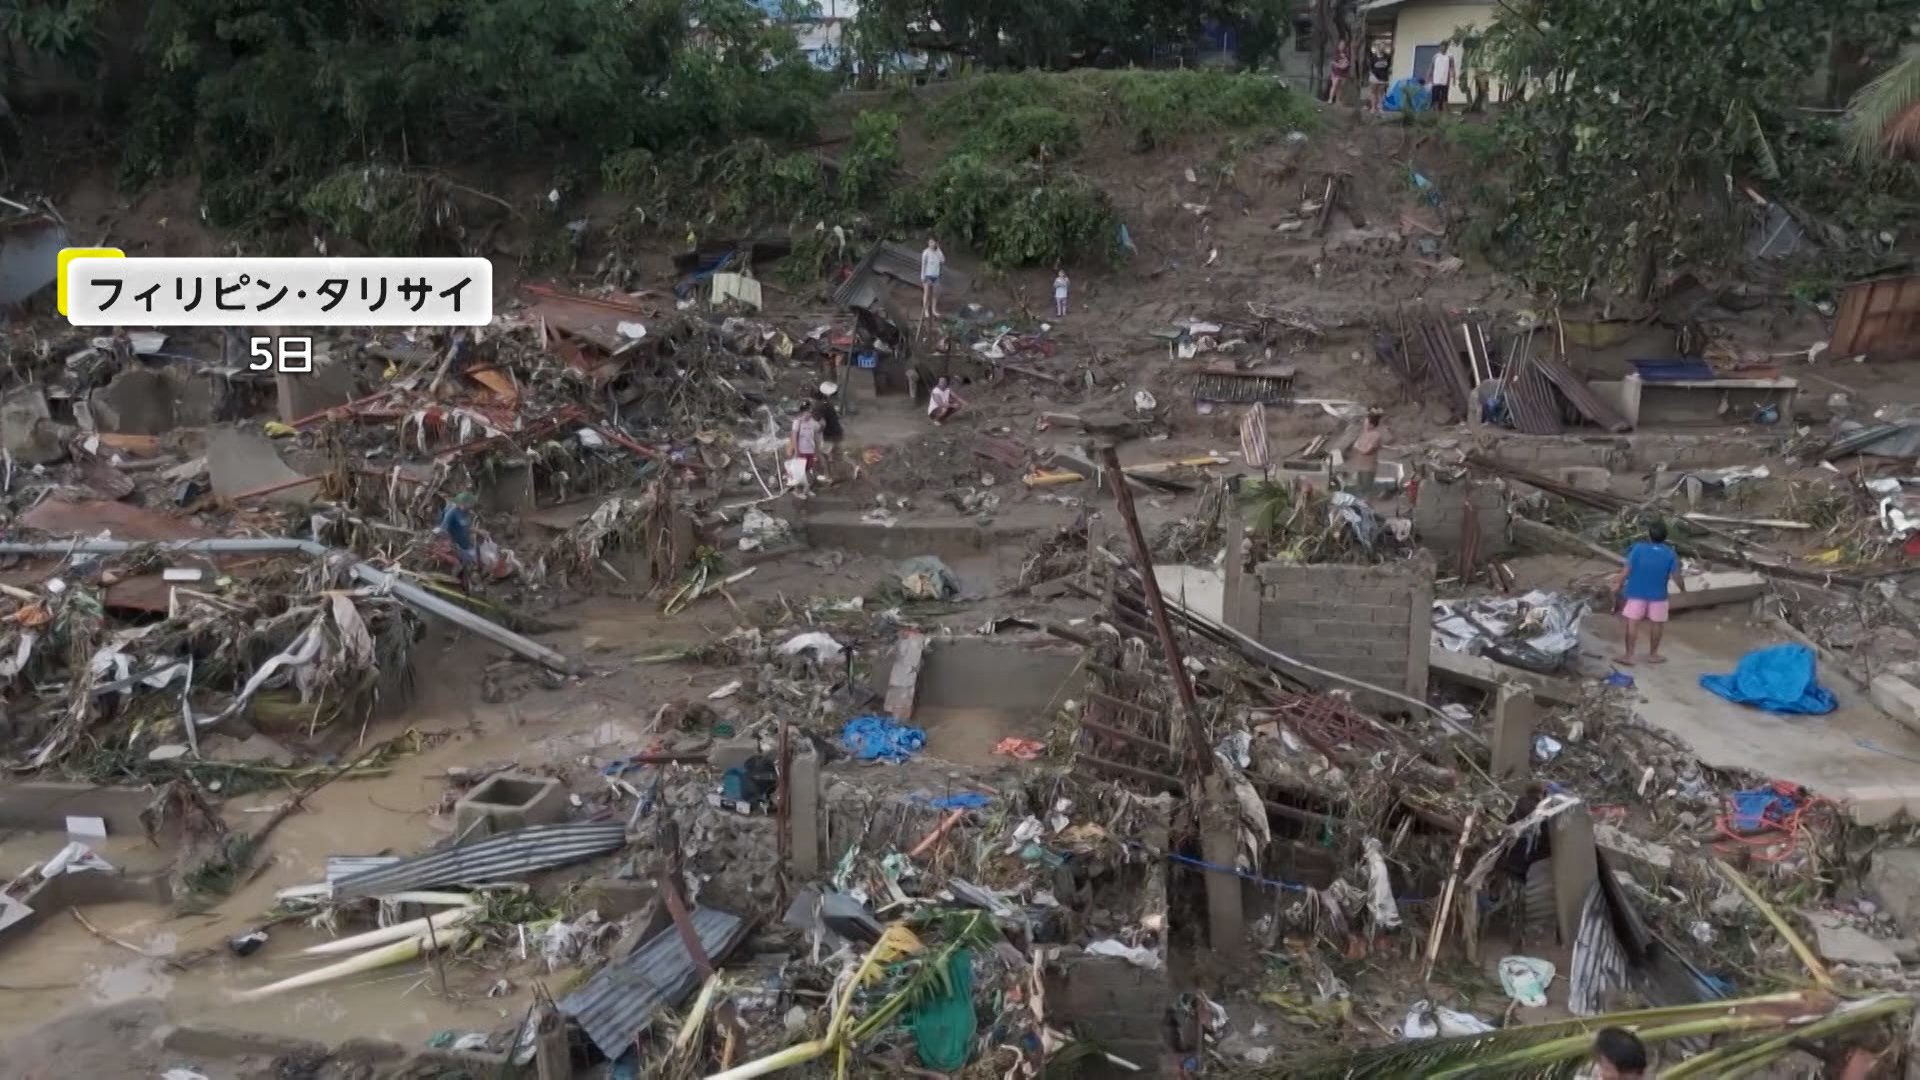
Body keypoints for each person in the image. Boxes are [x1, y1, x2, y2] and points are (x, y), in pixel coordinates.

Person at [1614, 521, 1687, 666]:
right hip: (1659, 595)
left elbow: (1626, 571)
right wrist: (1683, 590)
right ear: (1665, 537)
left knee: (1632, 623)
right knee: (1657, 624)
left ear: (1648, 535)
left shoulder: (1638, 549)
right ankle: (1653, 655)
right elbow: (1677, 576)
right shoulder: (1670, 554)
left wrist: (1618, 583)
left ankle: (1628, 656)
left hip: (1636, 593)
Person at [438, 491, 479, 592]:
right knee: (459, 565)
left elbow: (467, 527)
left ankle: (465, 585)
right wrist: (450, 543)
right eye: (468, 505)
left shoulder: (466, 513)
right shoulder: (451, 513)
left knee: (469, 563)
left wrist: (480, 532)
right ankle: (451, 584)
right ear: (461, 503)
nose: (470, 507)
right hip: (455, 544)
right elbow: (443, 529)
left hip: (465, 543)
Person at [812, 383, 844, 476]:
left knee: (822, 454)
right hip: (837, 431)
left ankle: (828, 476)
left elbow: (821, 423)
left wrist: (817, 431)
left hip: (829, 434)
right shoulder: (829, 404)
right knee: (835, 453)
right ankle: (854, 466)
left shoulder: (820, 406)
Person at [1350, 408, 1385, 490]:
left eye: (1366, 422)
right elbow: (1355, 446)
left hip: (1368, 468)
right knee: (1359, 489)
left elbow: (1366, 450)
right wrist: (1359, 447)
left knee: (1366, 490)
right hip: (1360, 466)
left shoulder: (1376, 435)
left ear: (1372, 425)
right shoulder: (1363, 434)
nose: (1364, 424)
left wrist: (1359, 447)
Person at [790, 401, 822, 482]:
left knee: (808, 469)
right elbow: (794, 436)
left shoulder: (813, 422)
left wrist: (816, 451)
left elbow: (816, 435)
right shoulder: (797, 422)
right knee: (800, 470)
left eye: (809, 411)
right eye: (806, 411)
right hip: (801, 450)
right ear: (802, 412)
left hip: (810, 450)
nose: (809, 413)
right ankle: (798, 489)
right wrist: (796, 451)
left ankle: (806, 489)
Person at [920, 237, 944, 319]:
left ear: (936, 243)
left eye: (933, 242)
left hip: (936, 276)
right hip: (927, 276)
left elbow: (943, 261)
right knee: (926, 294)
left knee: (935, 294)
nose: (931, 244)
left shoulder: (938, 252)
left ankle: (933, 310)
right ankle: (926, 311)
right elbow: (923, 265)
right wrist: (922, 276)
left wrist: (939, 250)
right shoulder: (925, 252)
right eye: (930, 242)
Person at [1367, 42, 1392, 112]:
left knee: (1381, 93)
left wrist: (1388, 75)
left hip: (1383, 77)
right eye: (1380, 47)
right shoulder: (1373, 57)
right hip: (1374, 76)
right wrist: (1372, 75)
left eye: (1383, 47)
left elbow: (1389, 66)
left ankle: (1380, 107)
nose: (1382, 48)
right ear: (1377, 48)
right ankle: (1373, 108)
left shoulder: (1387, 57)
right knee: (1373, 92)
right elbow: (1370, 67)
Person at [1429, 46, 1454, 113]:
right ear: (1440, 48)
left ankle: (1445, 113)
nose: (1443, 48)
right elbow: (1431, 67)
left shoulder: (1450, 56)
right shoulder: (1436, 56)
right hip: (1436, 80)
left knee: (1444, 98)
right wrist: (1428, 77)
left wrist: (1453, 77)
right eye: (1442, 47)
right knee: (1435, 98)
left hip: (1445, 81)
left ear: (1447, 48)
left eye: (1445, 47)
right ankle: (1436, 113)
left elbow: (1452, 68)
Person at [1328, 39, 1352, 105]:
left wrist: (1345, 64)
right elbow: (1332, 62)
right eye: (1341, 44)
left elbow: (1348, 63)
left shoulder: (1346, 54)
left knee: (1340, 87)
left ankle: (1338, 100)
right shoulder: (1335, 52)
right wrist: (1339, 65)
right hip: (1336, 72)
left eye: (1343, 45)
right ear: (1338, 45)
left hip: (1343, 72)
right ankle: (1330, 99)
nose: (1342, 46)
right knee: (1334, 85)